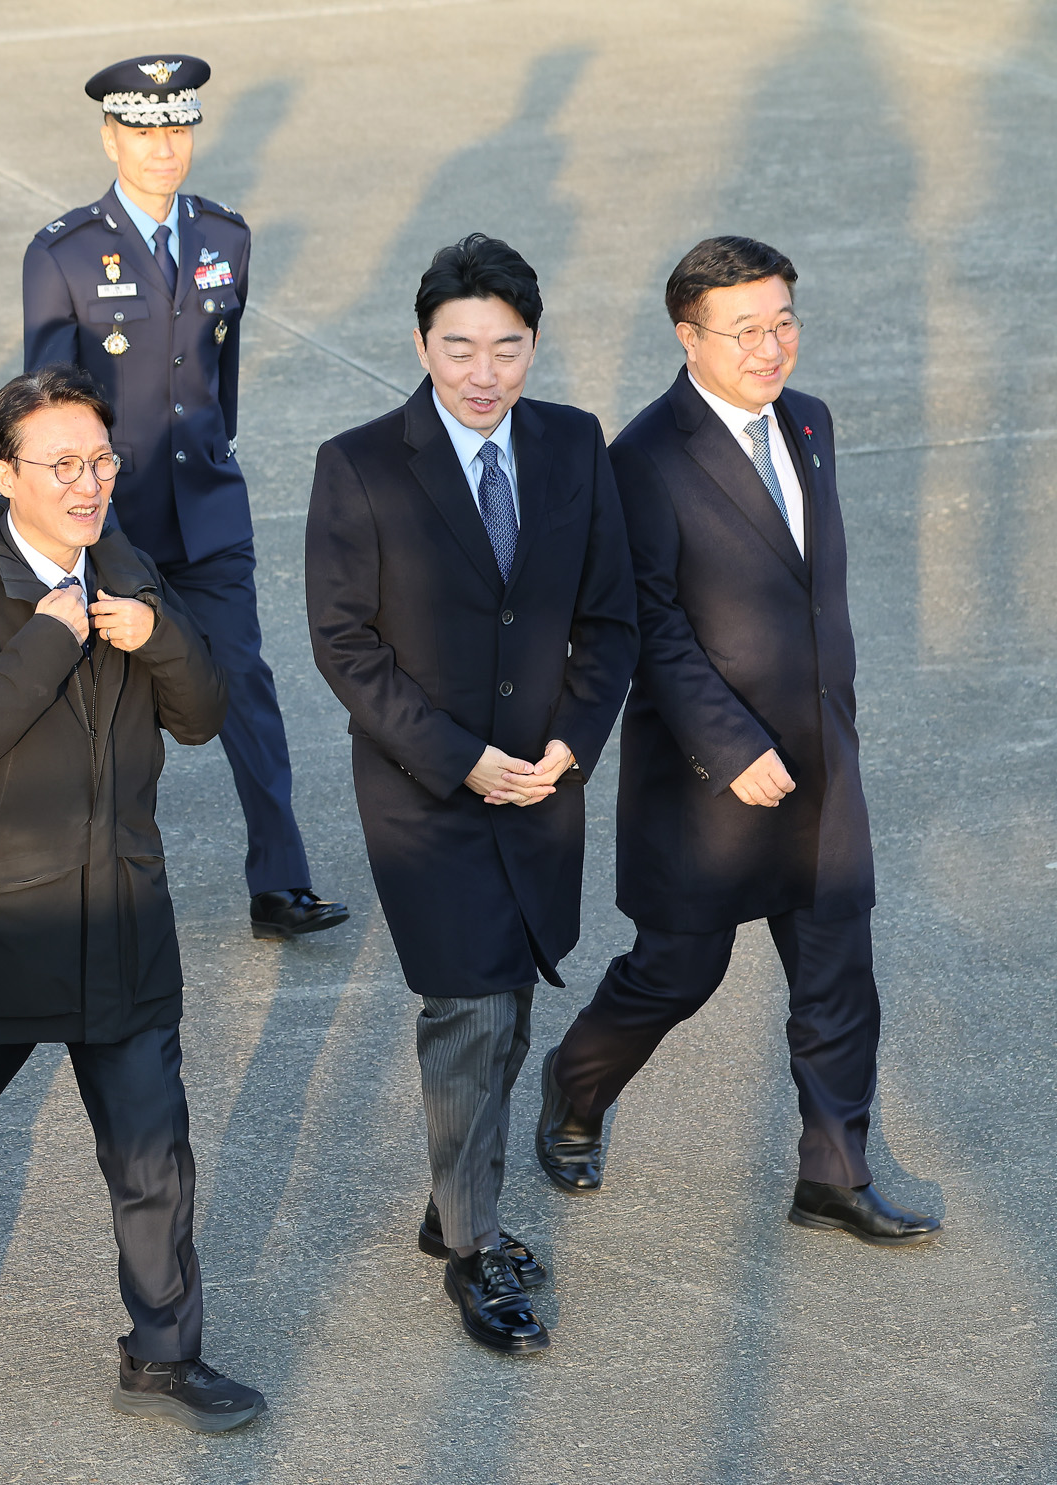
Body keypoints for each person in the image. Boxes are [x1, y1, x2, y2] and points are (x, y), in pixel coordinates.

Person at [0, 365, 266, 1434]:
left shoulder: (125, 561)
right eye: (62, 465)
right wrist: (52, 632)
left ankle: (163, 1355)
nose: (88, 485)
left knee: (149, 1148)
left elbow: (205, 712)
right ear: (6, 473)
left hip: (119, 909)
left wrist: (154, 635)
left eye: (101, 461)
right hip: (1, 917)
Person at [535, 237, 941, 1248]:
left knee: (837, 971)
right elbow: (651, 625)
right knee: (677, 973)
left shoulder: (808, 423)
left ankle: (832, 1174)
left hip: (820, 763)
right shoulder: (641, 460)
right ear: (686, 336)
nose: (770, 347)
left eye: (781, 323)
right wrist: (729, 743)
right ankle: (575, 1086)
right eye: (743, 329)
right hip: (707, 783)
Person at [305, 235, 638, 1355]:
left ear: (533, 346)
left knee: (512, 1002)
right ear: (419, 345)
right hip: (425, 793)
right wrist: (459, 758)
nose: (482, 372)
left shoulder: (571, 444)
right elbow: (345, 649)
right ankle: (472, 1246)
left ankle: (456, 1194)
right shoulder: (357, 464)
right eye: (457, 348)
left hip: (540, 782)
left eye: (504, 348)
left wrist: (567, 745)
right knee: (472, 1008)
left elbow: (607, 619)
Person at [23, 55, 346, 943]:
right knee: (108, 706)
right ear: (110, 137)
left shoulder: (225, 237)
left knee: (245, 684)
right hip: (111, 519)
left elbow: (220, 375)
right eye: (143, 130)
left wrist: (209, 453)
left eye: (177, 129)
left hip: (208, 510)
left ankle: (281, 884)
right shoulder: (64, 251)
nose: (164, 147)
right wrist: (80, 527)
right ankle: (91, 890)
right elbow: (47, 406)